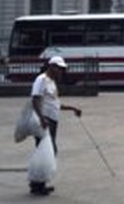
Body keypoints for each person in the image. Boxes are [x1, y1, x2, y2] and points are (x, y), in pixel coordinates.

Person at [29, 56, 82, 196]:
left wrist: (72, 108)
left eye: (62, 69)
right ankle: (37, 184)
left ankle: (39, 183)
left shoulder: (52, 82)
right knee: (48, 152)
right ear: (52, 66)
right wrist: (41, 118)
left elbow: (55, 103)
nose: (61, 72)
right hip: (44, 121)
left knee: (46, 153)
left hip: (52, 121)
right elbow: (34, 100)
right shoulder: (41, 80)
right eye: (59, 68)